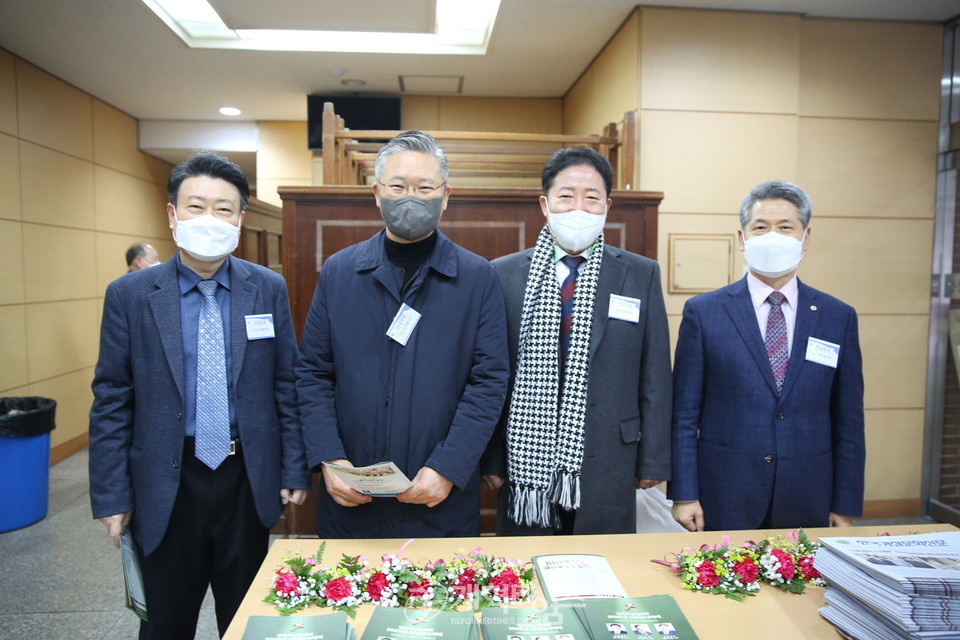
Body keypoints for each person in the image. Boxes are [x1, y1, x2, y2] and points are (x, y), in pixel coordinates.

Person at [89, 151, 311, 638]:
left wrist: (294, 465)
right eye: (196, 206)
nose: (210, 218)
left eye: (224, 208)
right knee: (166, 623)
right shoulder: (130, 294)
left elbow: (284, 382)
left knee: (250, 620)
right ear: (172, 215)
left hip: (245, 476)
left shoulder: (266, 288)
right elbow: (112, 397)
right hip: (165, 480)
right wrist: (111, 494)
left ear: (240, 219)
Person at [296, 130, 509, 538]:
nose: (411, 197)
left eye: (424, 186)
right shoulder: (340, 272)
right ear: (377, 193)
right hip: (352, 492)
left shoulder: (478, 277)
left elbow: (489, 381)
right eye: (398, 186)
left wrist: (449, 466)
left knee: (440, 600)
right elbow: (313, 374)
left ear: (446, 195)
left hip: (437, 494)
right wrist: (329, 459)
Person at [481, 147, 672, 535]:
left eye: (592, 197)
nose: (579, 208)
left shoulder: (639, 274)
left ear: (607, 205)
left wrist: (652, 461)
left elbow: (654, 374)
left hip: (610, 457)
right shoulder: (502, 275)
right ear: (545, 203)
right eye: (566, 196)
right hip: (524, 458)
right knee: (527, 569)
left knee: (603, 571)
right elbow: (489, 375)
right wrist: (491, 459)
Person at [668, 180, 865, 532]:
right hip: (723, 491)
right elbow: (683, 414)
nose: (772, 236)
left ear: (805, 238)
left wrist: (845, 503)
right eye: (760, 227)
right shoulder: (704, 312)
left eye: (785, 227)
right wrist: (684, 494)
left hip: (810, 493)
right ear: (742, 238)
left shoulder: (838, 316)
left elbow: (848, 419)